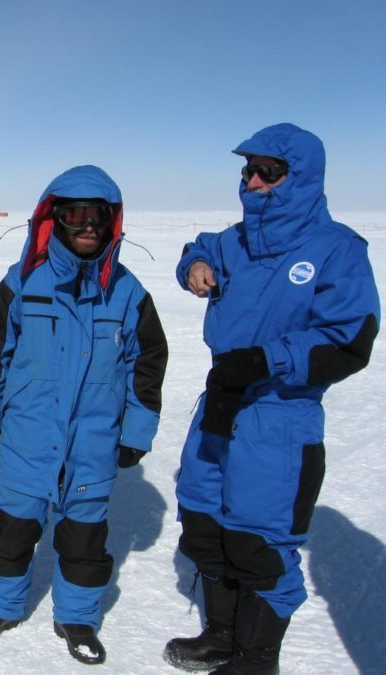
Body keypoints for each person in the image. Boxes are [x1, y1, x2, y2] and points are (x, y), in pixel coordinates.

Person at [165, 123, 379, 674]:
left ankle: (256, 660)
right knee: (205, 523)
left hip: (279, 415)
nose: (254, 180)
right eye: (248, 170)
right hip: (218, 404)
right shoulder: (234, 240)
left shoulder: (337, 250)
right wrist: (192, 266)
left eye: (269, 171)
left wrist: (266, 360)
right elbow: (197, 247)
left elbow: (349, 339)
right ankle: (220, 635)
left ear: (300, 176)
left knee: (259, 542)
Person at [0, 165, 169, 665]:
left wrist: (136, 432)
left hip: (93, 445)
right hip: (26, 439)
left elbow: (147, 366)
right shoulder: (22, 284)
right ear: (55, 218)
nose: (87, 225)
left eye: (97, 214)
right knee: (11, 531)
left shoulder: (128, 292)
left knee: (84, 541)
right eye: (74, 213)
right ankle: (2, 608)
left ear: (111, 222)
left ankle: (77, 618)